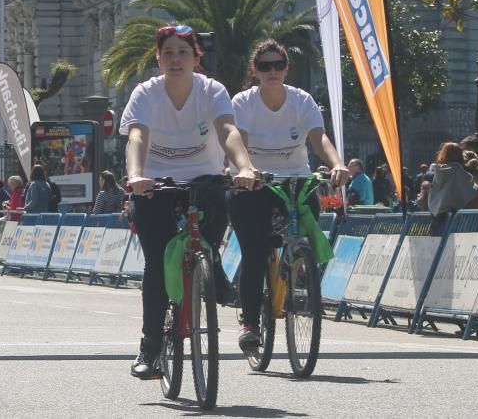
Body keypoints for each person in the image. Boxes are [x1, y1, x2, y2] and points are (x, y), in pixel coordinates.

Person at [120, 24, 255, 380]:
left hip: (203, 176)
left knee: (220, 199)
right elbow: (137, 136)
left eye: (183, 53)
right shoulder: (146, 93)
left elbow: (228, 130)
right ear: (158, 59)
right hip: (155, 180)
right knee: (156, 262)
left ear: (197, 58)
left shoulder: (212, 91)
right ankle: (150, 345)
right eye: (168, 53)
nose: (175, 60)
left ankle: (212, 263)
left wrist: (244, 166)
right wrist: (135, 176)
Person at [230, 38, 349, 355]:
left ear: (286, 69)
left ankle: (299, 265)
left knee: (307, 223)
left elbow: (318, 138)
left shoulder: (302, 101)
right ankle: (251, 324)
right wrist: (246, 170)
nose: (272, 71)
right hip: (254, 183)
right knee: (254, 254)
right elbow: (237, 141)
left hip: (294, 180)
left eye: (278, 65)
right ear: (255, 71)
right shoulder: (243, 103)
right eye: (265, 66)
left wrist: (336, 164)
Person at [427, 142, 478, 233]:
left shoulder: (436, 172)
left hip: (436, 218)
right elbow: (471, 193)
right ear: (460, 155)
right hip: (453, 218)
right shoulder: (458, 171)